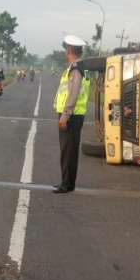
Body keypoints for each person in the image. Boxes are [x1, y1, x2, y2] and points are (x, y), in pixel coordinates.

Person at [53, 35, 91, 193]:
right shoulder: (83, 68)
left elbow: (73, 94)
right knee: (69, 151)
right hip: (75, 115)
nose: (65, 52)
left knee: (68, 151)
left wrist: (65, 116)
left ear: (69, 50)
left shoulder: (76, 70)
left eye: (66, 49)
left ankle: (67, 184)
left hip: (71, 116)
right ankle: (67, 182)